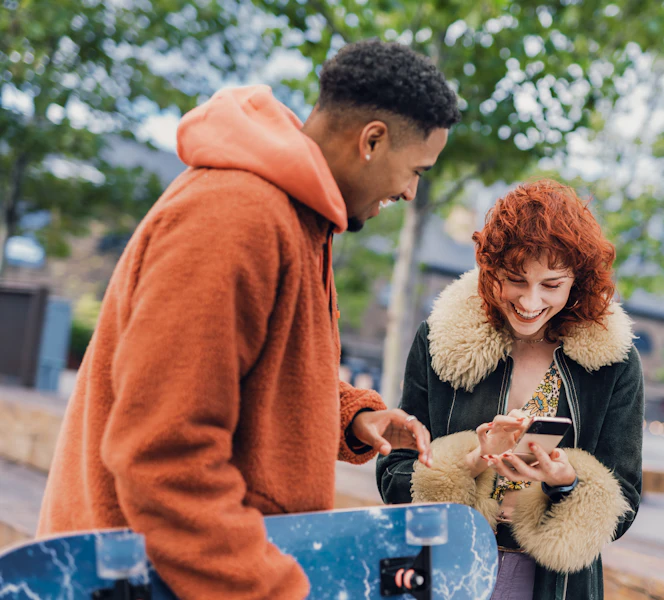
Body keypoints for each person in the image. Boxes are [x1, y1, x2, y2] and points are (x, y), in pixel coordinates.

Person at [38, 39, 460, 599]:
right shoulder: (234, 217)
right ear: (372, 140)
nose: (410, 191)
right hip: (140, 578)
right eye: (415, 170)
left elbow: (251, 376)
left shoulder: (298, 219)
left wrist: (351, 416)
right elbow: (163, 456)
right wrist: (276, 589)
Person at [376, 180, 644, 599]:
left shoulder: (614, 363)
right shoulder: (441, 340)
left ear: (577, 281)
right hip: (443, 572)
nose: (530, 301)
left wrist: (566, 482)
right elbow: (394, 472)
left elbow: (623, 501)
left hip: (553, 586)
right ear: (490, 270)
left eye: (551, 285)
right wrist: (470, 462)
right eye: (516, 279)